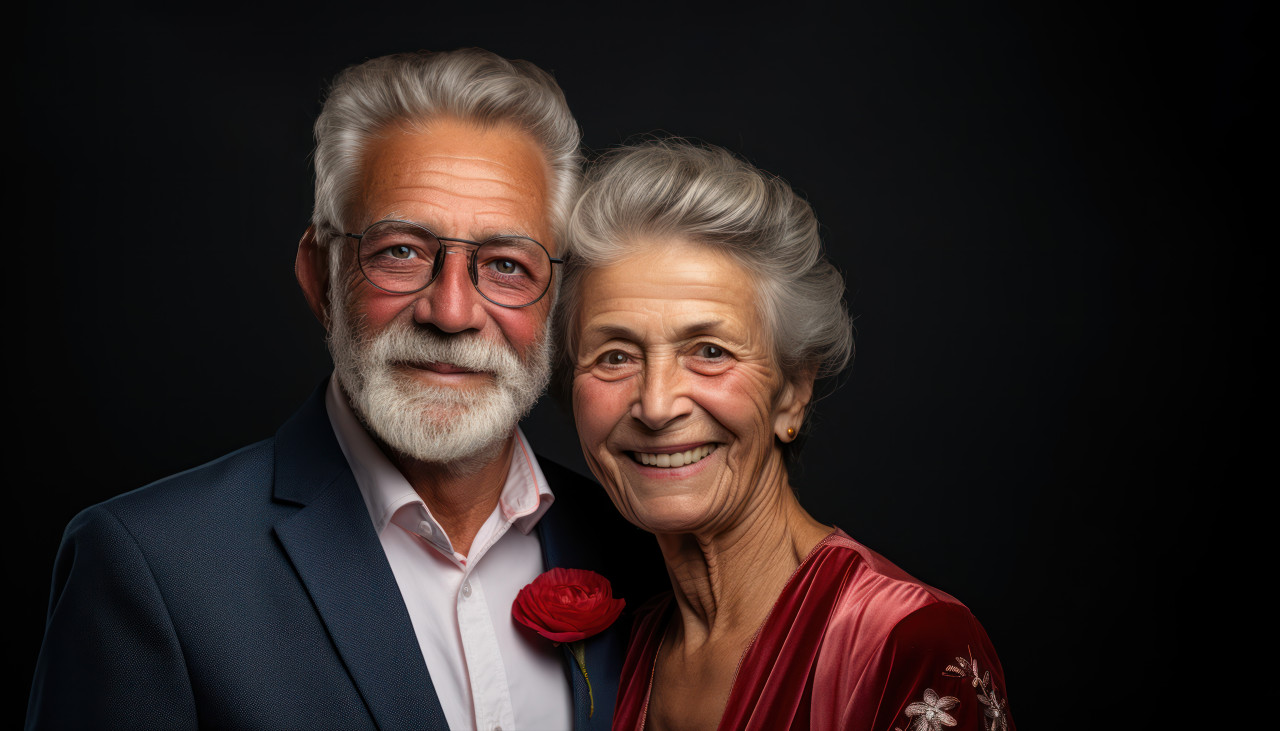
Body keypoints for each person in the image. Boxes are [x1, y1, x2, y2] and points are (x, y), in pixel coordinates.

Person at [27, 49, 661, 730]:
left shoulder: (643, 547)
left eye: (505, 264)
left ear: (559, 300)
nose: (451, 313)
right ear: (320, 276)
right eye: (401, 252)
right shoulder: (149, 567)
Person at [558, 139, 1014, 730]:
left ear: (793, 391)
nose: (657, 404)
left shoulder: (904, 641)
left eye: (711, 352)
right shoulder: (627, 645)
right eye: (615, 356)